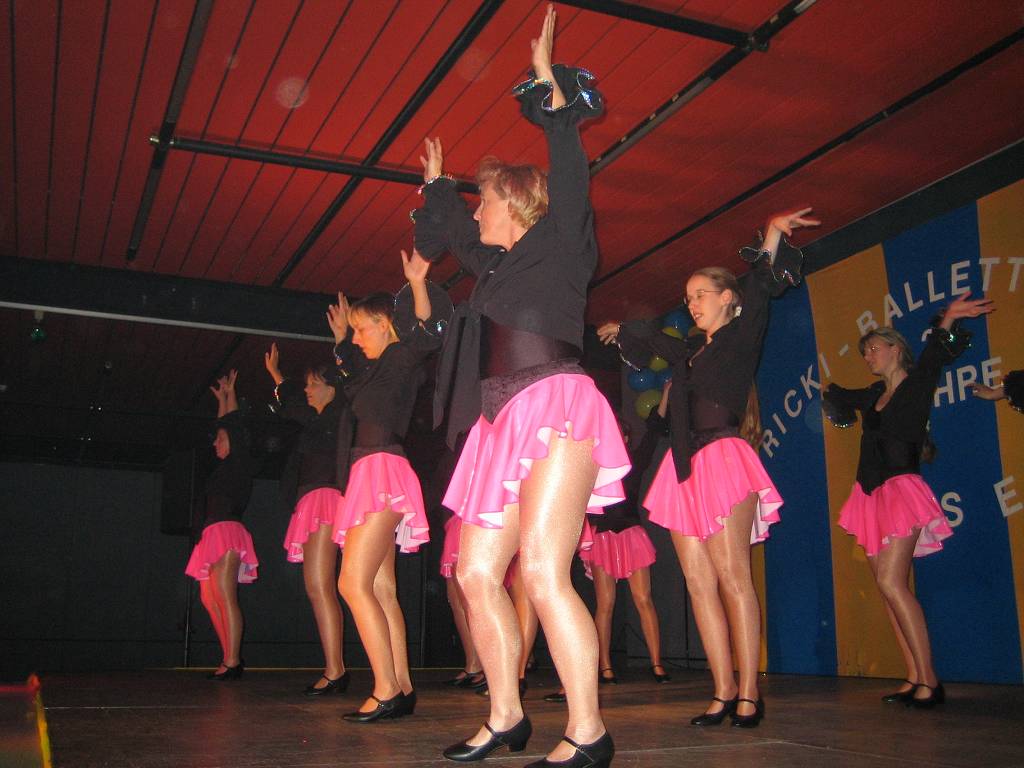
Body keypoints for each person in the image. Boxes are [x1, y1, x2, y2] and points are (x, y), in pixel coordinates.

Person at [414, 6, 629, 765]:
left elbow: (570, 171)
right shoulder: (497, 268)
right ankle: (505, 715)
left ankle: (589, 731)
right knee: (475, 571)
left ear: (518, 203)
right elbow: (459, 239)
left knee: (540, 569)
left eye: (485, 199)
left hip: (556, 403)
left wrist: (549, 88)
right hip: (500, 419)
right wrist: (438, 190)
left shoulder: (563, 241)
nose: (480, 211)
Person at [598, 208, 820, 728]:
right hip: (684, 469)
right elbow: (657, 341)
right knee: (698, 584)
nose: (692, 303)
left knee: (732, 577)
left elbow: (760, 289)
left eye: (701, 294)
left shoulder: (742, 336)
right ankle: (721, 691)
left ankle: (749, 693)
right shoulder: (690, 353)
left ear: (727, 299)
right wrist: (623, 329)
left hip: (723, 458)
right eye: (688, 296)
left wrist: (772, 233)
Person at [823, 293, 994, 708]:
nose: (868, 357)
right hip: (868, 495)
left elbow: (935, 353)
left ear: (895, 349)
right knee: (886, 590)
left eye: (873, 349)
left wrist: (949, 316)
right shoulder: (872, 395)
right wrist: (829, 391)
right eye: (865, 353)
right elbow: (843, 396)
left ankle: (930, 681)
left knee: (891, 582)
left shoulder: (916, 384)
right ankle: (914, 675)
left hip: (901, 490)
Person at [329, 248, 440, 723]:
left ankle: (386, 689)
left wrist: (416, 285)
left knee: (351, 583)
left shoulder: (400, 357)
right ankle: (402, 687)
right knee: (380, 586)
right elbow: (351, 373)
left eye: (361, 329)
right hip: (370, 470)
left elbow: (424, 334)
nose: (356, 338)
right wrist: (341, 340)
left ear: (384, 324)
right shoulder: (373, 369)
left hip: (380, 469)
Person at [264, 345, 349, 696]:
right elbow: (295, 409)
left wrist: (279, 380)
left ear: (332, 388)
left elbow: (295, 408)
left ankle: (335, 670)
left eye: (314, 383)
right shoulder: (317, 421)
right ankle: (334, 668)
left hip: (325, 498)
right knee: (318, 587)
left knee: (320, 585)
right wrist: (278, 379)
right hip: (314, 499)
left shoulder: (336, 415)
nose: (308, 389)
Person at [579, 383, 671, 687]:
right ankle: (605, 666)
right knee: (605, 604)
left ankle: (657, 663)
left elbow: (654, 431)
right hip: (603, 538)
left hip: (631, 534)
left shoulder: (633, 463)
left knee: (643, 599)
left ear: (627, 439)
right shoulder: (594, 468)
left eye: (621, 434)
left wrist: (666, 394)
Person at [185, 370, 259, 680]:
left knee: (225, 593)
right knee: (207, 597)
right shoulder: (223, 466)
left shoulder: (240, 462)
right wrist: (222, 399)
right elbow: (225, 427)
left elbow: (232, 426)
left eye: (220, 439)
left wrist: (230, 395)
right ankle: (229, 655)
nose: (215, 443)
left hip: (227, 529)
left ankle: (232, 660)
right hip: (210, 531)